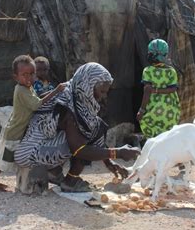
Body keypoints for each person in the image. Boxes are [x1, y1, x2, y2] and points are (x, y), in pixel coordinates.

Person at [15, 62, 140, 192]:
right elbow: (79, 150)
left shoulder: (77, 95)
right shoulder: (67, 103)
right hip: (30, 152)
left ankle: (57, 173)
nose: (103, 96)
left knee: (95, 126)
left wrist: (110, 163)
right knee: (84, 136)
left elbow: (94, 132)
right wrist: (117, 153)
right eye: (102, 91)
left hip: (46, 144)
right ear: (88, 86)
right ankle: (69, 181)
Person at [0, 55, 65, 192]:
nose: (29, 78)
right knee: (2, 160)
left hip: (20, 130)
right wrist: (56, 91)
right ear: (16, 77)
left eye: (31, 74)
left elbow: (36, 98)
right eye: (24, 75)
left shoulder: (28, 88)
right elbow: (36, 105)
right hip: (14, 132)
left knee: (8, 159)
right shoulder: (21, 90)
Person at [136, 39, 181, 139]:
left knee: (153, 136)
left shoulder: (148, 71)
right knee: (167, 137)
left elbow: (147, 91)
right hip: (171, 112)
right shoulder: (171, 71)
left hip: (154, 112)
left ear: (151, 54)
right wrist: (158, 90)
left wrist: (141, 110)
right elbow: (173, 89)